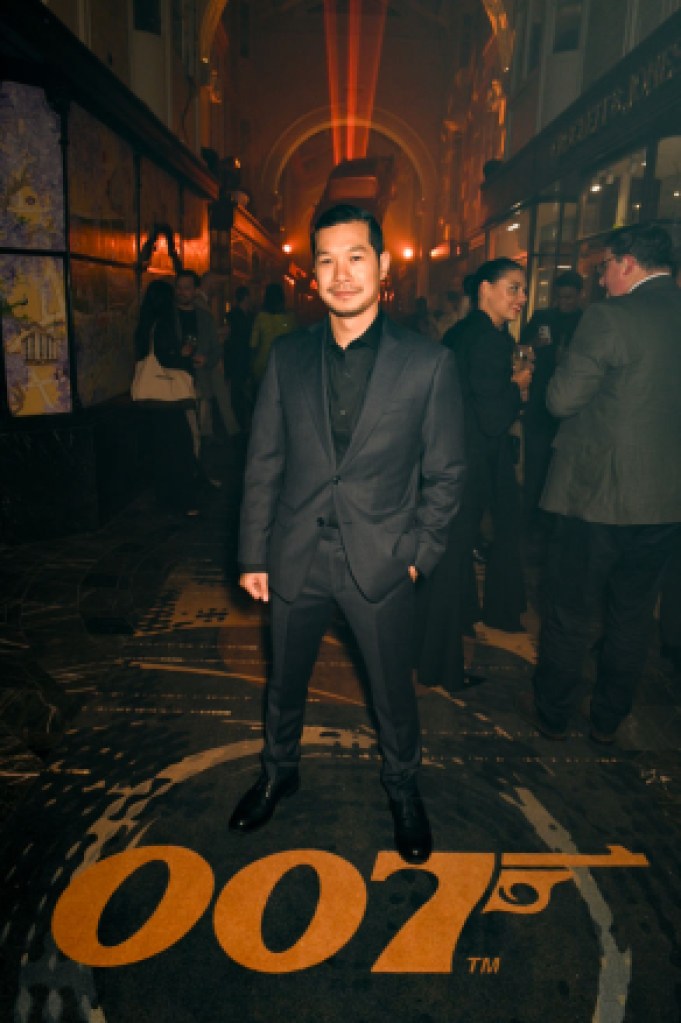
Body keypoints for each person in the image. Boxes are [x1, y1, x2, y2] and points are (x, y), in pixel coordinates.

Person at [230, 203, 466, 864]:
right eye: (327, 260)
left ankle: (401, 785)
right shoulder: (286, 356)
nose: (341, 273)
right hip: (295, 555)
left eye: (355, 256)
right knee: (283, 681)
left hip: (382, 560)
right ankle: (278, 770)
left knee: (392, 690)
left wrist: (418, 556)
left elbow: (446, 473)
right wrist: (252, 551)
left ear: (382, 267)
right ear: (313, 273)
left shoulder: (428, 363)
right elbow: (264, 460)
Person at [525, 224, 681, 743]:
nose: (603, 276)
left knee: (569, 610)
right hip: (664, 500)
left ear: (629, 264)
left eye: (607, 266)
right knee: (633, 615)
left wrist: (549, 375)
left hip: (596, 497)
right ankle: (609, 716)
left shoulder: (609, 318)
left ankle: (553, 713)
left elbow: (561, 400)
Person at [442, 259, 532, 634]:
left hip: (451, 454)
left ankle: (460, 621)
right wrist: (520, 386)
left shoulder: (460, 333)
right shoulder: (491, 340)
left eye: (523, 290)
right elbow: (494, 416)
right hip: (476, 455)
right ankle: (480, 618)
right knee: (489, 533)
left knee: (456, 546)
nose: (522, 298)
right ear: (485, 289)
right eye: (513, 288)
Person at [521, 270, 583, 539]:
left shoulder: (585, 320)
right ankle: (532, 518)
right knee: (536, 463)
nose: (563, 303)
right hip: (539, 400)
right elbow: (522, 346)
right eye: (559, 297)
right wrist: (535, 344)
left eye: (568, 298)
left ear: (579, 296)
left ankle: (553, 520)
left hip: (569, 402)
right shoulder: (544, 317)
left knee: (561, 467)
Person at [134, 280, 199, 517]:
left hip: (152, 399)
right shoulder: (163, 325)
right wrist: (184, 354)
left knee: (161, 448)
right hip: (168, 401)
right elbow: (168, 359)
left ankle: (165, 498)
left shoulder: (144, 326)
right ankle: (184, 500)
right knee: (180, 446)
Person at [175, 270, 239, 456]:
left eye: (186, 288)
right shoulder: (171, 316)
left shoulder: (203, 316)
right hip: (177, 380)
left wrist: (207, 359)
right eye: (178, 288)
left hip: (198, 378)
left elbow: (214, 347)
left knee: (198, 424)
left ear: (194, 290)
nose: (181, 292)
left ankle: (200, 459)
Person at [249, 282, 297, 384]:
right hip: (284, 366)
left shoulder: (260, 318)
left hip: (262, 367)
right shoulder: (290, 318)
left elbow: (253, 345)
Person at [225, 285, 254, 430]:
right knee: (238, 391)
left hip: (242, 358)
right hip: (237, 358)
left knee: (242, 391)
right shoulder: (236, 316)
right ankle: (240, 422)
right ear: (246, 298)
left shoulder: (246, 316)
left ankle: (242, 422)